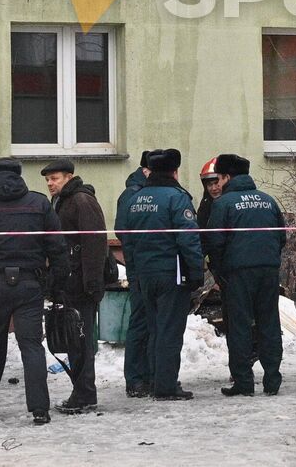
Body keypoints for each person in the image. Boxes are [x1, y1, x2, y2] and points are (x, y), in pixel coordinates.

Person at [0, 157, 69, 425]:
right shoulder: (38, 203)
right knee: (31, 345)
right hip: (29, 283)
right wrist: (56, 281)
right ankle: (39, 408)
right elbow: (57, 246)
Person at [118, 148, 202, 401]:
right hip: (171, 274)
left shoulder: (134, 199)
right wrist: (196, 272)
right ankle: (165, 386)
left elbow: (126, 240)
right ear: (175, 172)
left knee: (153, 329)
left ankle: (153, 379)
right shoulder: (177, 198)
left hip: (144, 274)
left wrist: (135, 269)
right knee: (169, 331)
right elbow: (188, 239)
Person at [204, 153, 285, 398]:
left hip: (238, 273)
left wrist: (219, 271)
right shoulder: (268, 201)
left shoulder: (223, 204)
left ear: (227, 176)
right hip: (269, 270)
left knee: (239, 325)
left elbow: (214, 241)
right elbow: (282, 237)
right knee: (269, 323)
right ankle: (272, 379)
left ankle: (243, 382)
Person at [41, 158, 108, 414]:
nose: (49, 183)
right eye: (47, 179)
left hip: (82, 284)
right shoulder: (61, 201)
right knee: (73, 341)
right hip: (69, 282)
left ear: (69, 177)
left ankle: (85, 394)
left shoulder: (81, 200)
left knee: (81, 342)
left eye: (54, 178)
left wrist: (92, 283)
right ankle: (81, 392)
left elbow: (95, 244)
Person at [115, 151, 153, 397]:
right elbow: (122, 230)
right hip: (141, 268)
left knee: (146, 322)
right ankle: (136, 378)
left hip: (143, 266)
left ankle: (144, 376)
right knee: (140, 322)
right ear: (147, 171)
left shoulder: (138, 192)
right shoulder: (133, 194)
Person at [195, 157, 221, 230]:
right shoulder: (205, 204)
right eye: (209, 184)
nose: (213, 188)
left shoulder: (231, 204)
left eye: (216, 183)